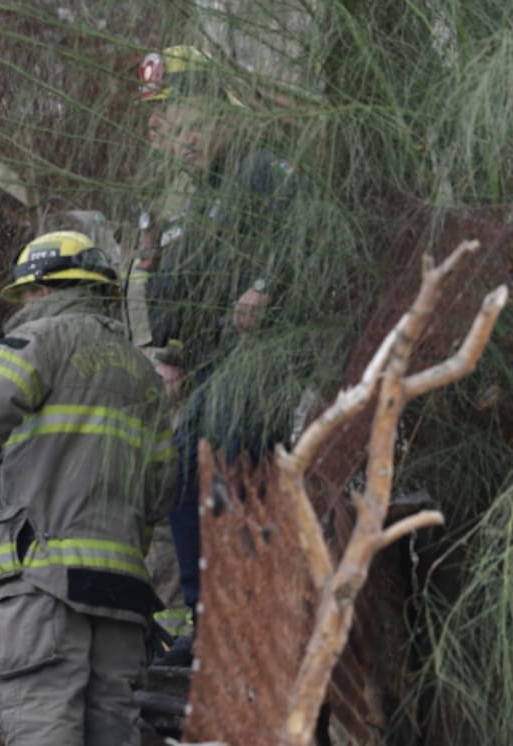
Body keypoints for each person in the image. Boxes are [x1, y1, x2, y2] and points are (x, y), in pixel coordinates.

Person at [0, 230, 176, 746]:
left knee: (44, 730)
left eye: (26, 294)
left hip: (48, 578)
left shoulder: (41, 338)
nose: (23, 306)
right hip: (122, 589)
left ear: (43, 289)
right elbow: (162, 485)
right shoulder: (143, 375)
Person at [128, 45, 303, 665]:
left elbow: (304, 232)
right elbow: (184, 307)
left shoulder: (259, 168)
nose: (182, 143)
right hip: (212, 370)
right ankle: (209, 623)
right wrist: (151, 266)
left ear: (220, 109)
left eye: (191, 125)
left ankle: (244, 619)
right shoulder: (197, 199)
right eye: (171, 132)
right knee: (181, 471)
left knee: (228, 469)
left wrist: (268, 287)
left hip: (261, 368)